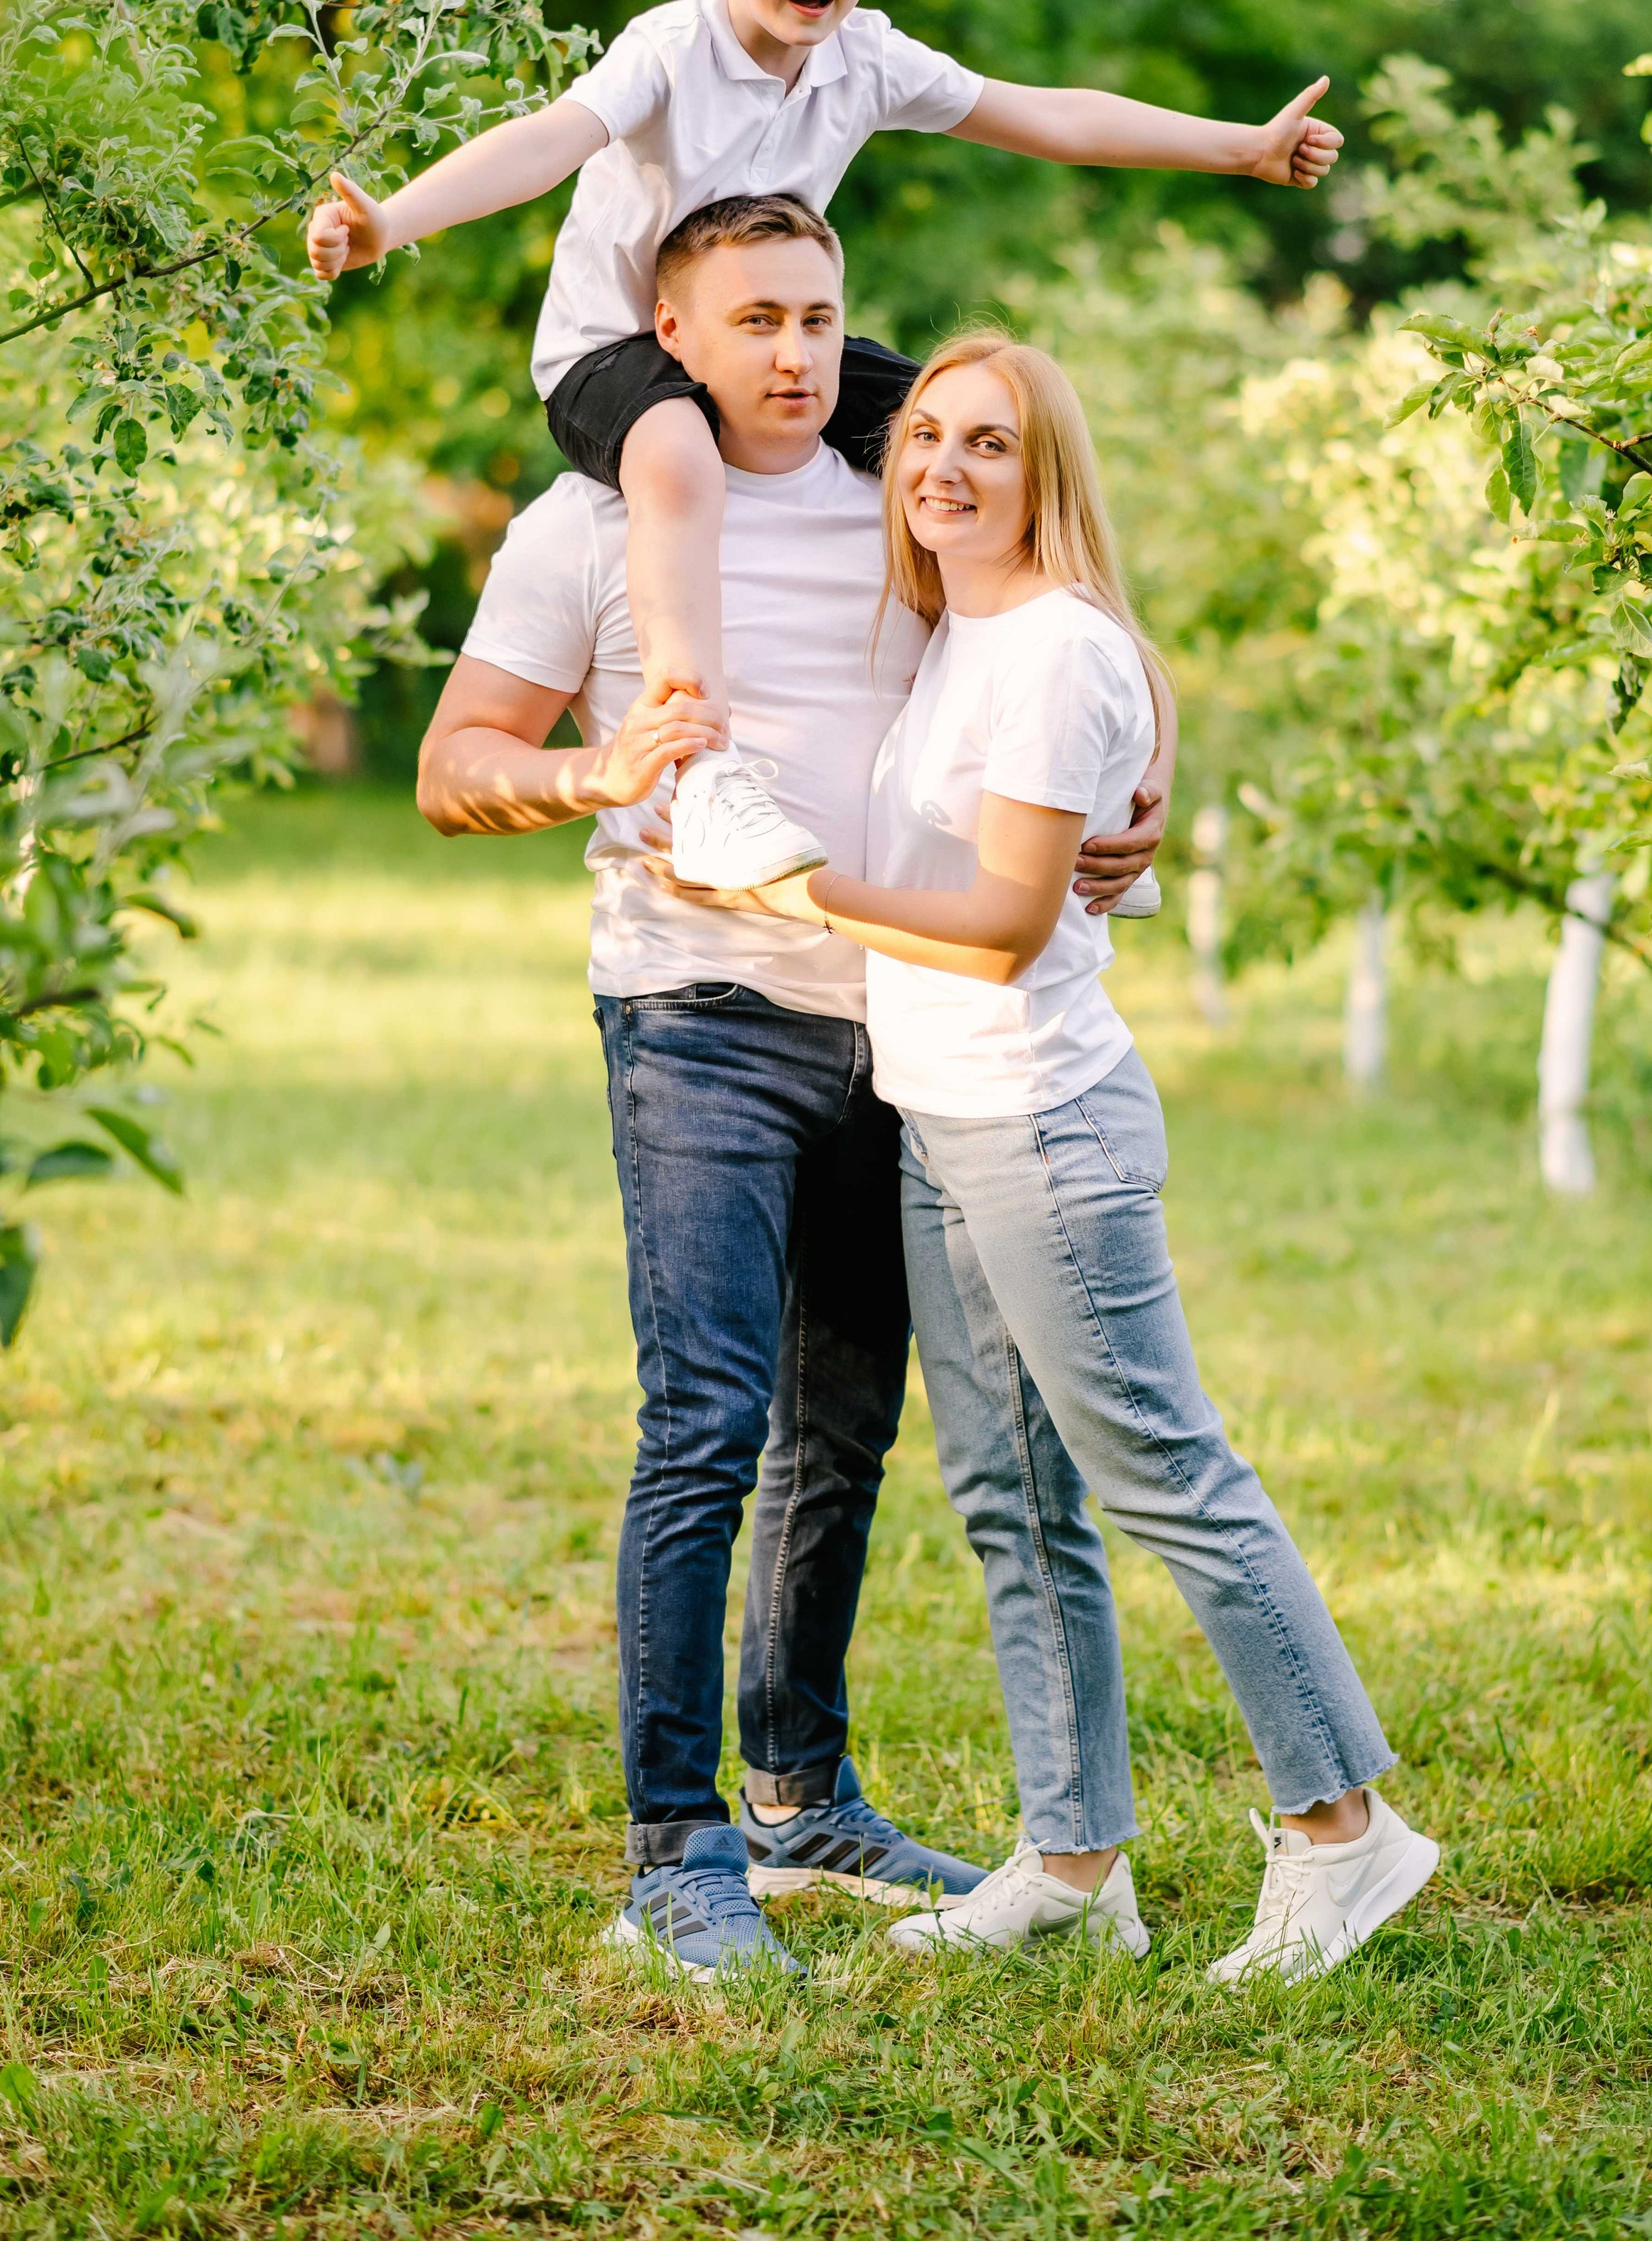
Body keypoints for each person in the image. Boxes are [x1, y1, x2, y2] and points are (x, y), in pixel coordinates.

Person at [415, 199, 1167, 1981]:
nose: (794, 352)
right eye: (752, 318)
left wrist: (1131, 818)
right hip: (696, 1017)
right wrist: (597, 769)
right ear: (667, 341)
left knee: (842, 1429)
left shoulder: (903, 512)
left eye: (819, 317)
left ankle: (798, 1792)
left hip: (907, 1024)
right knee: (704, 1422)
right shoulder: (587, 529)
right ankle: (675, 1855)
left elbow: (1064, 654)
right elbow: (453, 767)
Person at [688, 333, 1440, 1981]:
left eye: (991, 447)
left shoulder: (1040, 653)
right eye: (927, 438)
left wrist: (787, 889)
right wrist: (1151, 746)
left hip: (1039, 1117)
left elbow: (1007, 922)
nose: (943, 467)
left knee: (1165, 1476)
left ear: (1047, 479)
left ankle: (1344, 1830)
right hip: (941, 1116)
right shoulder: (974, 629)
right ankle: (1073, 1859)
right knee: (1012, 1502)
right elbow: (1121, 681)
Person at [311, 0, 1339, 902]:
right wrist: (395, 224)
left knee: (981, 434)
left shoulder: (867, 59)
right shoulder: (669, 50)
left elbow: (1047, 118)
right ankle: (701, 773)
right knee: (677, 454)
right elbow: (550, 143)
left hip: (776, 342)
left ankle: (1103, 745)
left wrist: (1243, 149)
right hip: (616, 355)